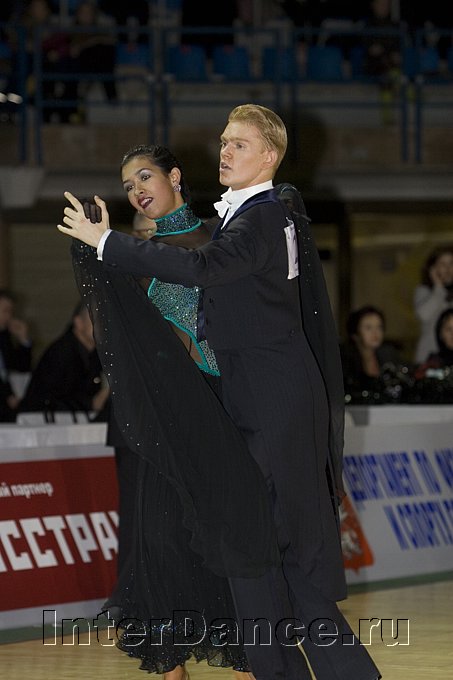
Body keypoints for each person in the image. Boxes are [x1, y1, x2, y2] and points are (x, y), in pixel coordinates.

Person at [57, 103, 381, 680]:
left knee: (278, 558)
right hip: (248, 407)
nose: (225, 151)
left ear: (270, 156)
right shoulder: (254, 216)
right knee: (256, 557)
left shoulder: (261, 218)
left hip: (269, 407)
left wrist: (107, 242)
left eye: (239, 144)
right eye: (225, 141)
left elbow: (203, 268)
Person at [66, 144, 276, 679]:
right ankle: (172, 669)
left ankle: (249, 664)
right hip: (166, 422)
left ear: (174, 176)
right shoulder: (136, 258)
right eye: (128, 185)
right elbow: (116, 326)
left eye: (145, 176)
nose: (137, 190)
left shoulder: (225, 239)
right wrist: (94, 247)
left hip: (224, 413)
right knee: (160, 542)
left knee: (228, 542)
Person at [18, 300, 109, 416]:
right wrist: (90, 403)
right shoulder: (61, 353)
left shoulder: (95, 353)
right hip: (40, 420)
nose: (103, 327)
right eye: (97, 320)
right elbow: (48, 398)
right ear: (79, 322)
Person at [340, 304, 403, 402]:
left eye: (379, 327)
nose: (375, 333)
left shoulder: (388, 355)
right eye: (368, 328)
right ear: (355, 333)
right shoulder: (345, 360)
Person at [413, 244, 453, 363]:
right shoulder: (423, 291)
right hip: (429, 355)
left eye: (451, 263)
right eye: (443, 264)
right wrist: (438, 287)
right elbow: (423, 315)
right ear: (433, 268)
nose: (447, 269)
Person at [0, 288, 33, 422]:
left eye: (11, 312)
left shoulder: (4, 337)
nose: (9, 317)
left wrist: (23, 339)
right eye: (5, 311)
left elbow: (20, 367)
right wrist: (7, 395)